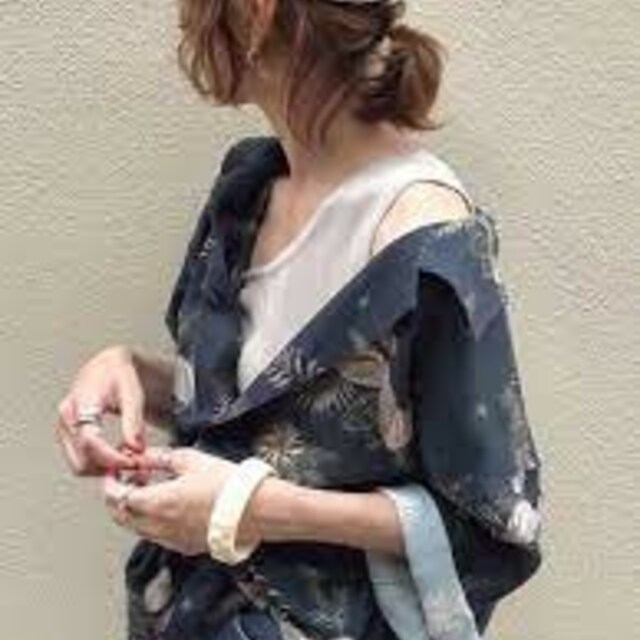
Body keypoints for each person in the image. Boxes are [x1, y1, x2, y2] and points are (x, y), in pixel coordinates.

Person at [54, 1, 543, 639]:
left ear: (258, 15)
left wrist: (248, 507)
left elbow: (492, 523)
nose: (185, 23)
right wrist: (130, 373)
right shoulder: (250, 190)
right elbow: (267, 423)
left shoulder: (421, 242)